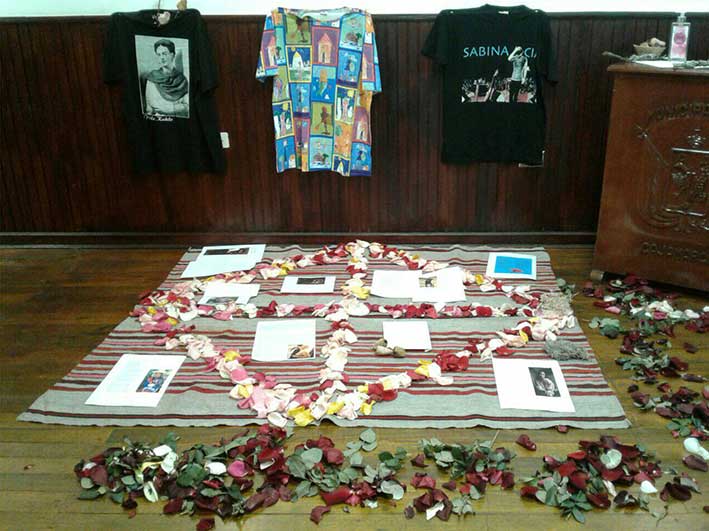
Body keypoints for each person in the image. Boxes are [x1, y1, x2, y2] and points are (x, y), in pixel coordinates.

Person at [144, 39, 189, 117]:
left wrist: (169, 109)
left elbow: (188, 106)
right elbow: (149, 108)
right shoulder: (152, 78)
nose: (162, 57)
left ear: (172, 55)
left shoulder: (182, 80)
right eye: (159, 54)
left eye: (164, 54)